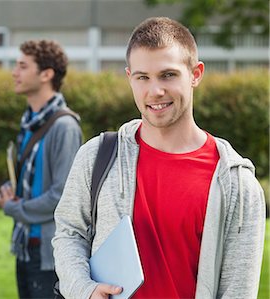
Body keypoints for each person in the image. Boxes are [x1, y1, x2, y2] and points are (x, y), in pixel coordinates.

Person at [52, 17, 266, 299]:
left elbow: (238, 291)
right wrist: (84, 289)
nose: (155, 91)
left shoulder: (238, 185)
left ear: (196, 74)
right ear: (130, 77)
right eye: (143, 77)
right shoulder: (98, 156)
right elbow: (69, 233)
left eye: (168, 75)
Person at [0, 39, 82, 299]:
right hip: (25, 246)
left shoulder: (64, 127)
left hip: (47, 252)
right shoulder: (30, 123)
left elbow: (62, 197)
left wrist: (14, 208)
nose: (15, 72)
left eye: (23, 66)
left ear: (46, 74)